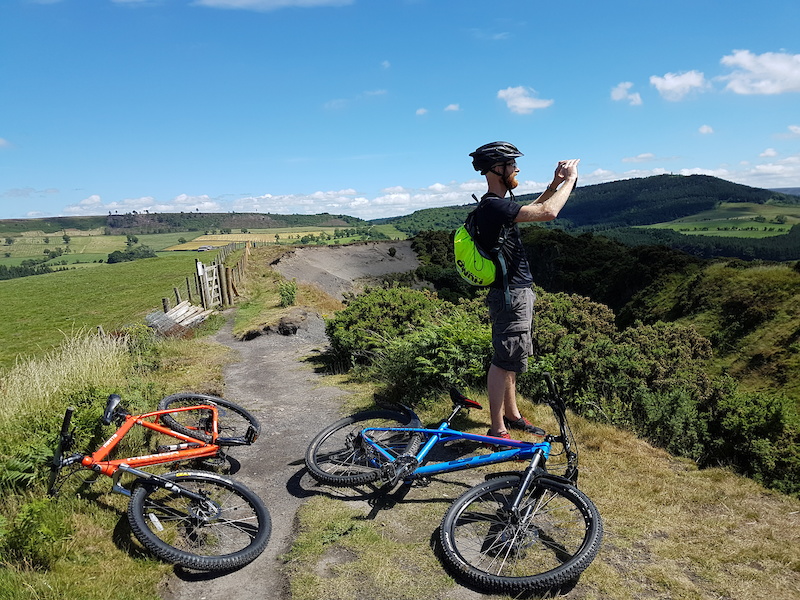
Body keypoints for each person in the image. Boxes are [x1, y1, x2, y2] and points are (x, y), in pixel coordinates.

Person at [468, 141, 579, 442]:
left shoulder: (495, 206)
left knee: (512, 357)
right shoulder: (493, 206)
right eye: (511, 164)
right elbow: (548, 212)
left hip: (514, 292)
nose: (516, 169)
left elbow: (534, 208)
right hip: (510, 294)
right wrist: (569, 182)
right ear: (497, 169)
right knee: (503, 360)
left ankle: (511, 414)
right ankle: (497, 429)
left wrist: (553, 184)